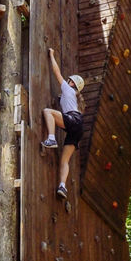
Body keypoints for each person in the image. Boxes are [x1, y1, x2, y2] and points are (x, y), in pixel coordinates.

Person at [41, 48, 85, 200]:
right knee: (64, 160)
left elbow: (56, 72)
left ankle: (51, 138)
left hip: (73, 120)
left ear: (72, 83)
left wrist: (52, 55)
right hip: (78, 127)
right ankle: (62, 186)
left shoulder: (68, 88)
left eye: (69, 80)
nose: (67, 81)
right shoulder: (73, 97)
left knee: (48, 111)